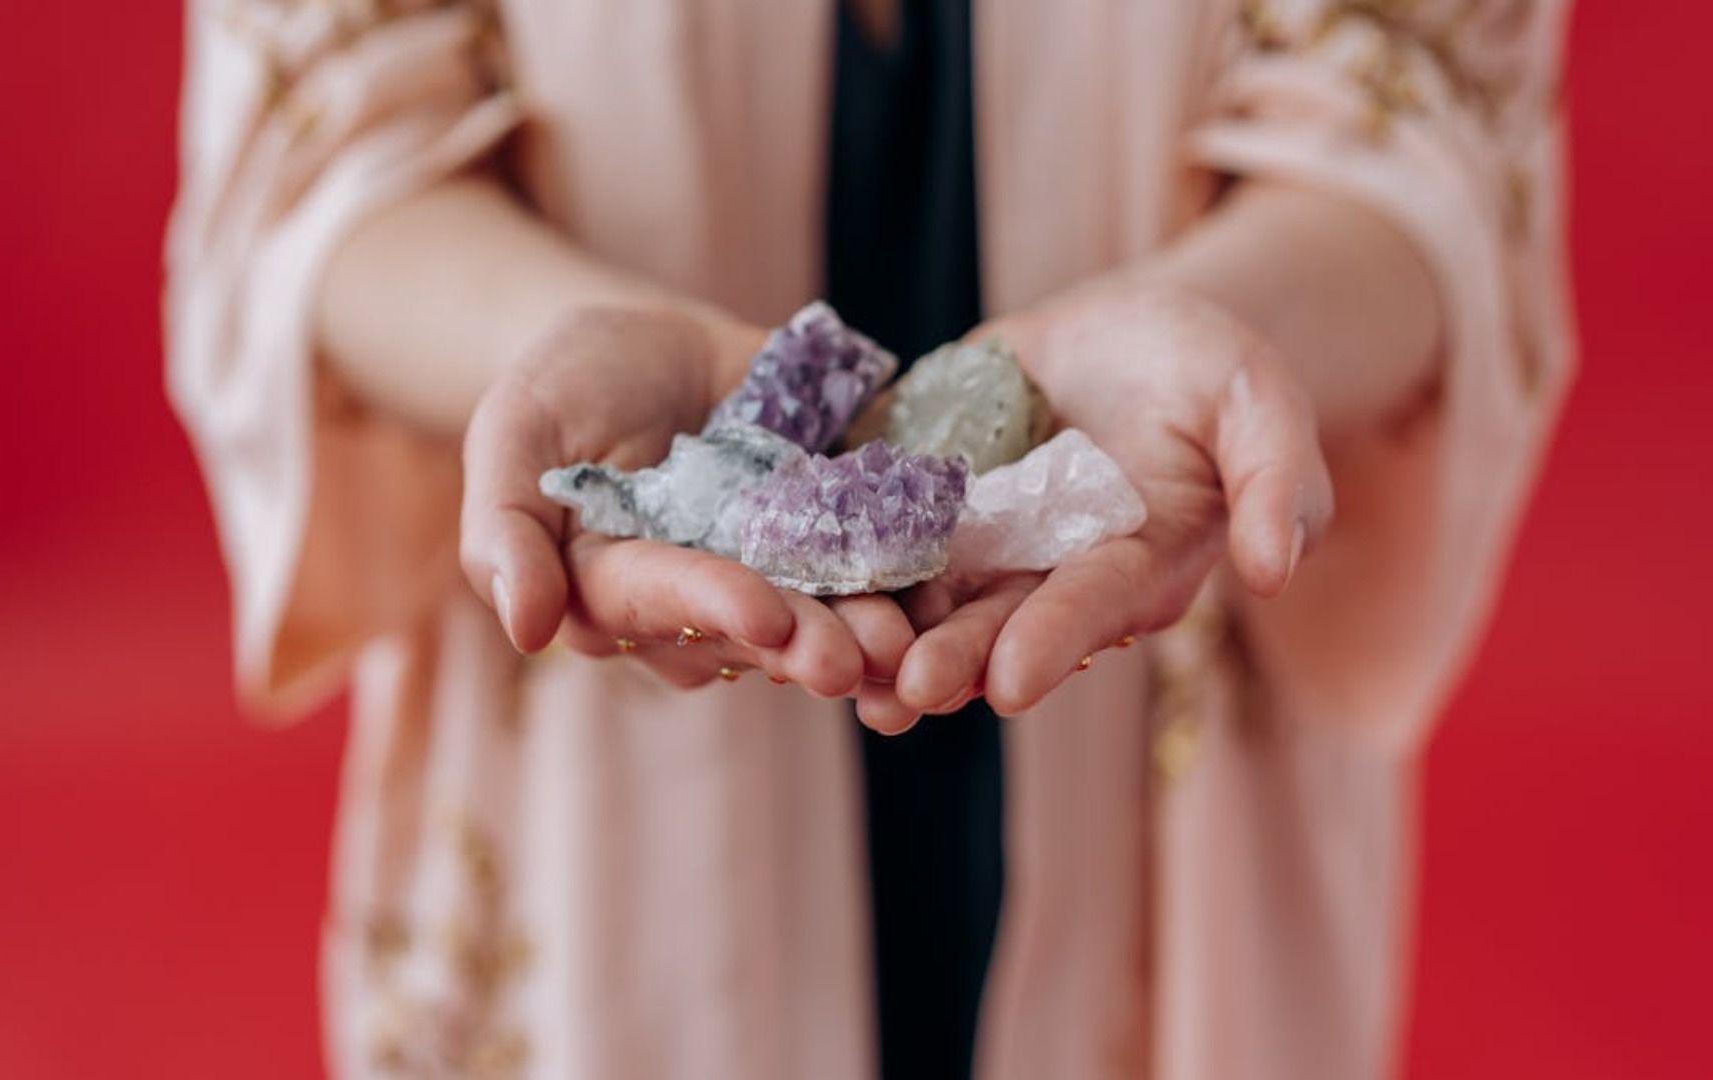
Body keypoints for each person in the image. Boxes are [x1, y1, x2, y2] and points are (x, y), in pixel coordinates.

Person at [166, 1, 1573, 1076]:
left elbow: (1430, 117)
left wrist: (1236, 345)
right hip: (600, 804)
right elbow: (316, 147)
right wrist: (542, 370)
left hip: (1150, 696)